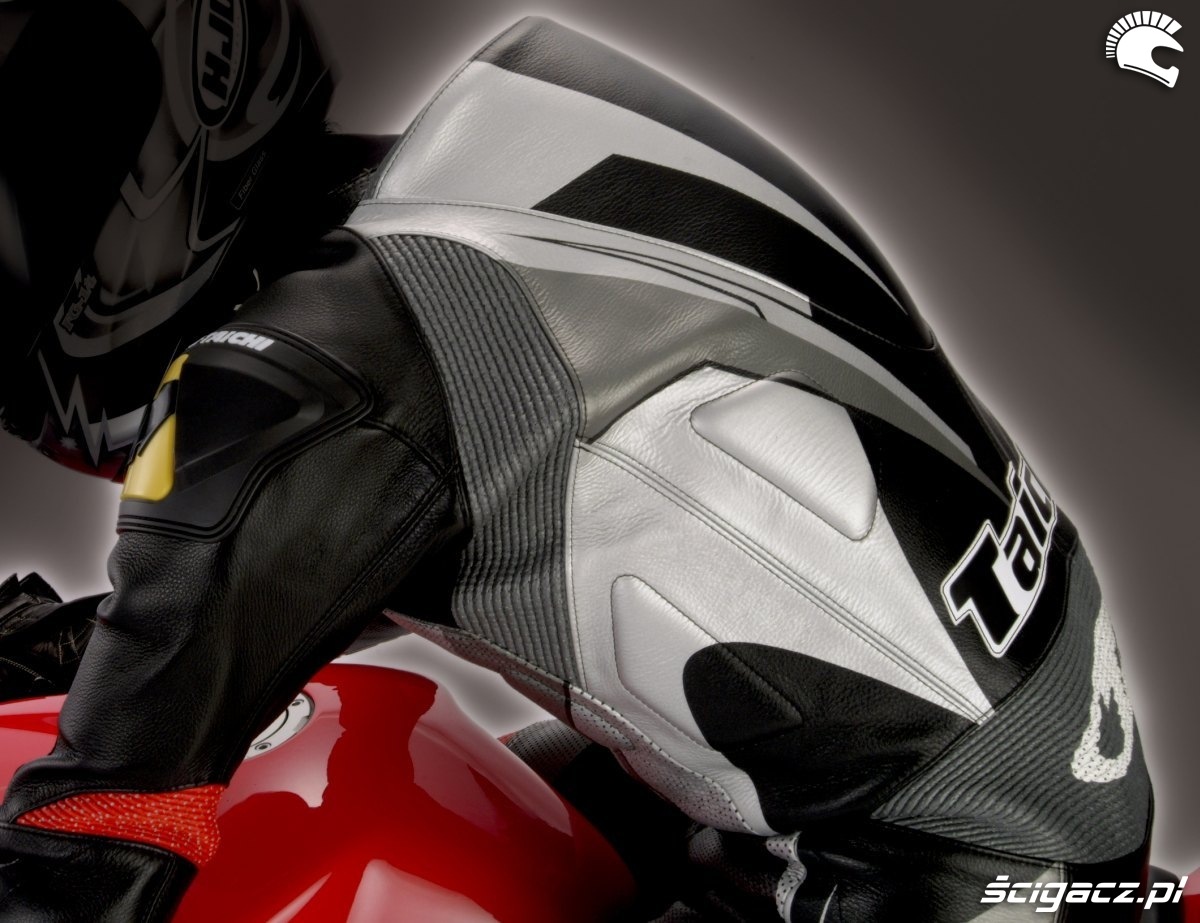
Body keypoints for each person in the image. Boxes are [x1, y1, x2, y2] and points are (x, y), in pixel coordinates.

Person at [0, 4, 1154, 920]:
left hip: (934, 865)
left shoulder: (290, 397)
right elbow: (336, 540)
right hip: (1011, 776)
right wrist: (74, 643)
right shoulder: (498, 158)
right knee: (422, 812)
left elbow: (91, 846)